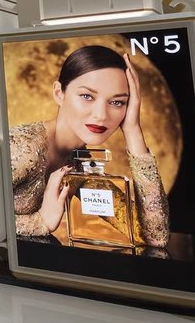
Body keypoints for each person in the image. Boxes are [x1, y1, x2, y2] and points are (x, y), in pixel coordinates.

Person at [10, 45, 169, 247]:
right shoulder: (22, 148)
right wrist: (39, 222)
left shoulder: (80, 163)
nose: (101, 115)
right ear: (59, 93)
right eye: (87, 96)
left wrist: (133, 129)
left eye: (117, 102)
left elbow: (155, 236)